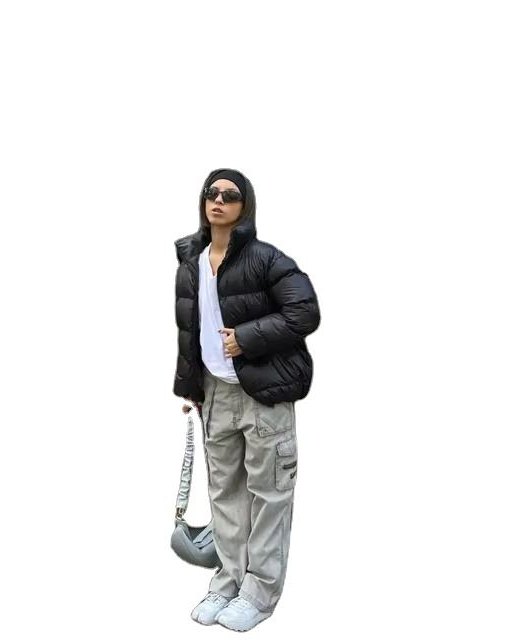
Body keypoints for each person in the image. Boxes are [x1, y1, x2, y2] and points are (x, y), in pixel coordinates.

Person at [173, 167, 320, 632]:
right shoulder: (190, 260)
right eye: (211, 193)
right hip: (215, 394)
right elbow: (189, 329)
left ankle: (259, 593)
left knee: (269, 494)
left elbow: (305, 311)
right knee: (225, 494)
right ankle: (228, 581)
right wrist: (191, 386)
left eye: (230, 195)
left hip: (263, 393)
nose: (218, 200)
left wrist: (248, 338)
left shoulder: (265, 259)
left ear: (245, 206)